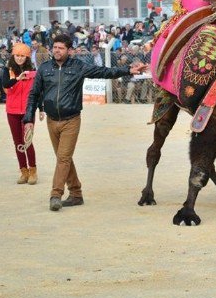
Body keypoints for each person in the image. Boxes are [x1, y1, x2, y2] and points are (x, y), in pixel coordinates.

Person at [23, 33, 148, 211]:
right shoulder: (44, 68)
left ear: (69, 50)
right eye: (55, 47)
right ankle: (76, 194)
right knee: (63, 159)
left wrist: (128, 70)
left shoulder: (78, 66)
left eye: (61, 48)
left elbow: (104, 72)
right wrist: (28, 118)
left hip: (71, 120)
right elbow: (34, 94)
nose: (57, 51)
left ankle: (55, 194)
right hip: (52, 121)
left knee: (63, 158)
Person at [3, 43, 44, 184]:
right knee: (17, 142)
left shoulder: (33, 73)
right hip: (12, 111)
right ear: (13, 56)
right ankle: (23, 171)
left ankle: (33, 171)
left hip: (28, 111)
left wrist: (41, 109)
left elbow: (37, 92)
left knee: (27, 141)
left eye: (23, 56)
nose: (20, 58)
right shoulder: (7, 70)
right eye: (17, 55)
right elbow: (5, 84)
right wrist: (17, 79)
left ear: (27, 57)